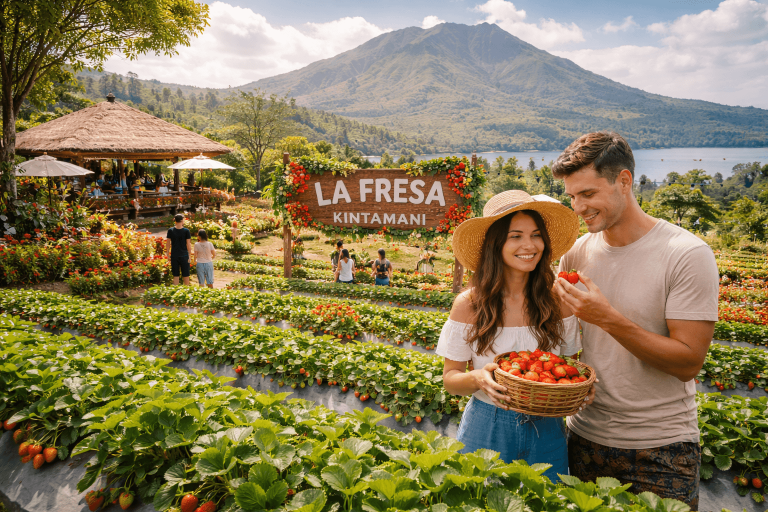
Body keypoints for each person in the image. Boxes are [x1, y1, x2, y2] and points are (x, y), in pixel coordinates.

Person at [551, 132, 718, 509]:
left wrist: (608, 319)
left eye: (588, 194)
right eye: (572, 196)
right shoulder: (577, 254)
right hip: (584, 438)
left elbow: (688, 362)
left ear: (623, 182)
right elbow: (564, 345)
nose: (578, 207)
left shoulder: (686, 254)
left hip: (660, 448)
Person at [437, 190, 591, 483]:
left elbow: (572, 369)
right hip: (487, 424)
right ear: (496, 245)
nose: (529, 245)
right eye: (515, 236)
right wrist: (478, 378)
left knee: (547, 503)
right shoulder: (470, 304)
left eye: (536, 235)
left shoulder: (558, 302)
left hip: (547, 429)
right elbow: (450, 379)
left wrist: (581, 390)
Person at [166, 214, 192, 286]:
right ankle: (186, 291)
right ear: (181, 220)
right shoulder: (186, 231)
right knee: (186, 275)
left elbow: (168, 243)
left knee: (176, 275)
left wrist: (167, 254)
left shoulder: (170, 230)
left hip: (174, 255)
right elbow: (188, 244)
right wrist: (190, 255)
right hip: (184, 255)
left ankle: (176, 291)